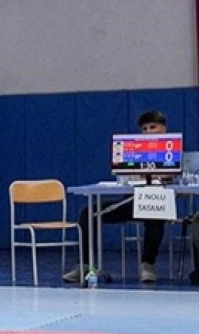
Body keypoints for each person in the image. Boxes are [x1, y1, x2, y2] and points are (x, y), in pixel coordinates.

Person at [63, 110, 170, 284]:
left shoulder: (174, 152)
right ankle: (85, 265)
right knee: (89, 213)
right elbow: (125, 179)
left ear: (163, 128)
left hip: (161, 203)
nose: (149, 132)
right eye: (145, 129)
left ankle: (147, 265)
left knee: (156, 214)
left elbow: (178, 181)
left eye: (153, 127)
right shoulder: (133, 152)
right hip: (131, 202)